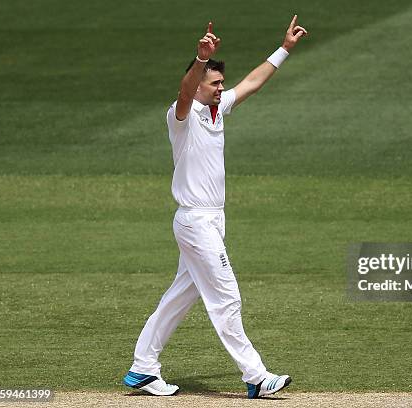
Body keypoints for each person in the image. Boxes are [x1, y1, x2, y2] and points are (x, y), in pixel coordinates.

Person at [122, 16, 308, 399]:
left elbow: (254, 82)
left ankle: (142, 367)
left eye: (222, 82)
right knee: (226, 296)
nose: (222, 88)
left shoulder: (217, 111)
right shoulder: (182, 116)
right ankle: (255, 376)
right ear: (200, 84)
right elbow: (186, 89)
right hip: (195, 221)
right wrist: (200, 58)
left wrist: (285, 48)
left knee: (180, 296)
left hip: (211, 220)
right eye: (215, 82)